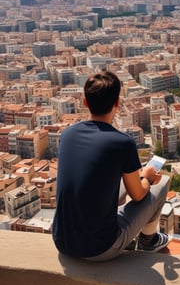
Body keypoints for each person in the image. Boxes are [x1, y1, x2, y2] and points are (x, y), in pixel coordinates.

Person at [52, 70, 171, 261]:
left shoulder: (68, 134)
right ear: (117, 103)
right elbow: (138, 194)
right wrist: (147, 177)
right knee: (162, 183)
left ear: (85, 102)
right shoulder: (122, 142)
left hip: (62, 241)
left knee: (118, 182)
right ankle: (149, 241)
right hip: (100, 248)